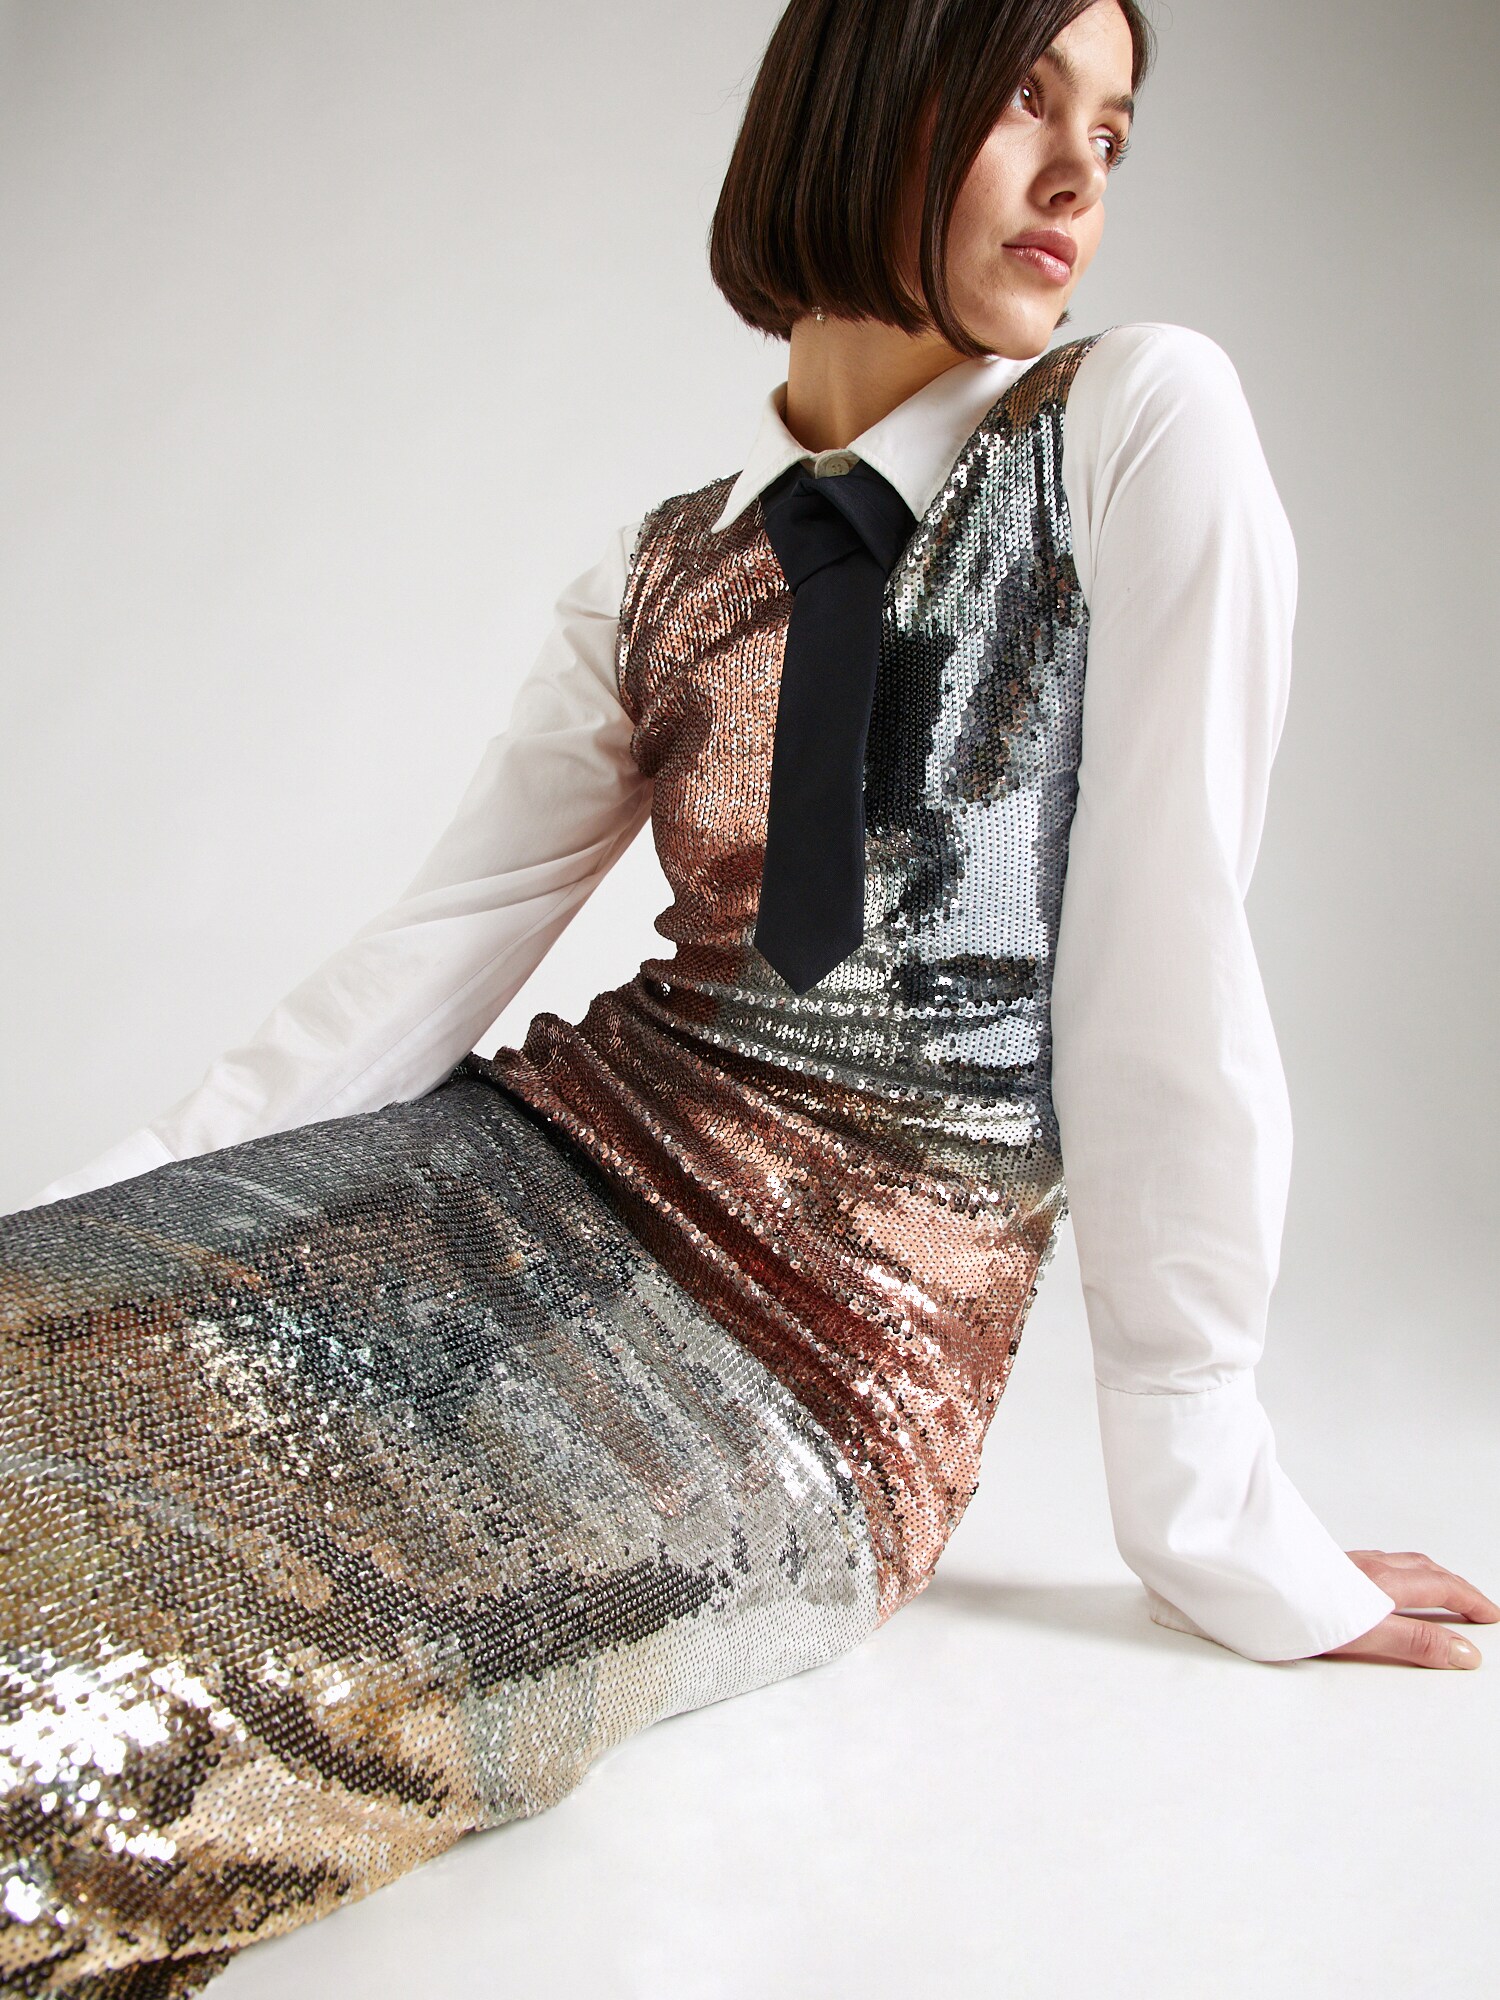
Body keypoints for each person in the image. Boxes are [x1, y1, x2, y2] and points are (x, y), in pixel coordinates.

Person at [3, 1, 1494, 1993]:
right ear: (876, 86)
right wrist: (90, 1228)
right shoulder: (662, 569)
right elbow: (422, 963)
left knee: (175, 1664)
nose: (1079, 171)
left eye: (1116, 130)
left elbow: (1169, 956)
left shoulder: (1138, 423)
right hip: (521, 1164)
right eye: (1026, 95)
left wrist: (1209, 1503)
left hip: (811, 1372)